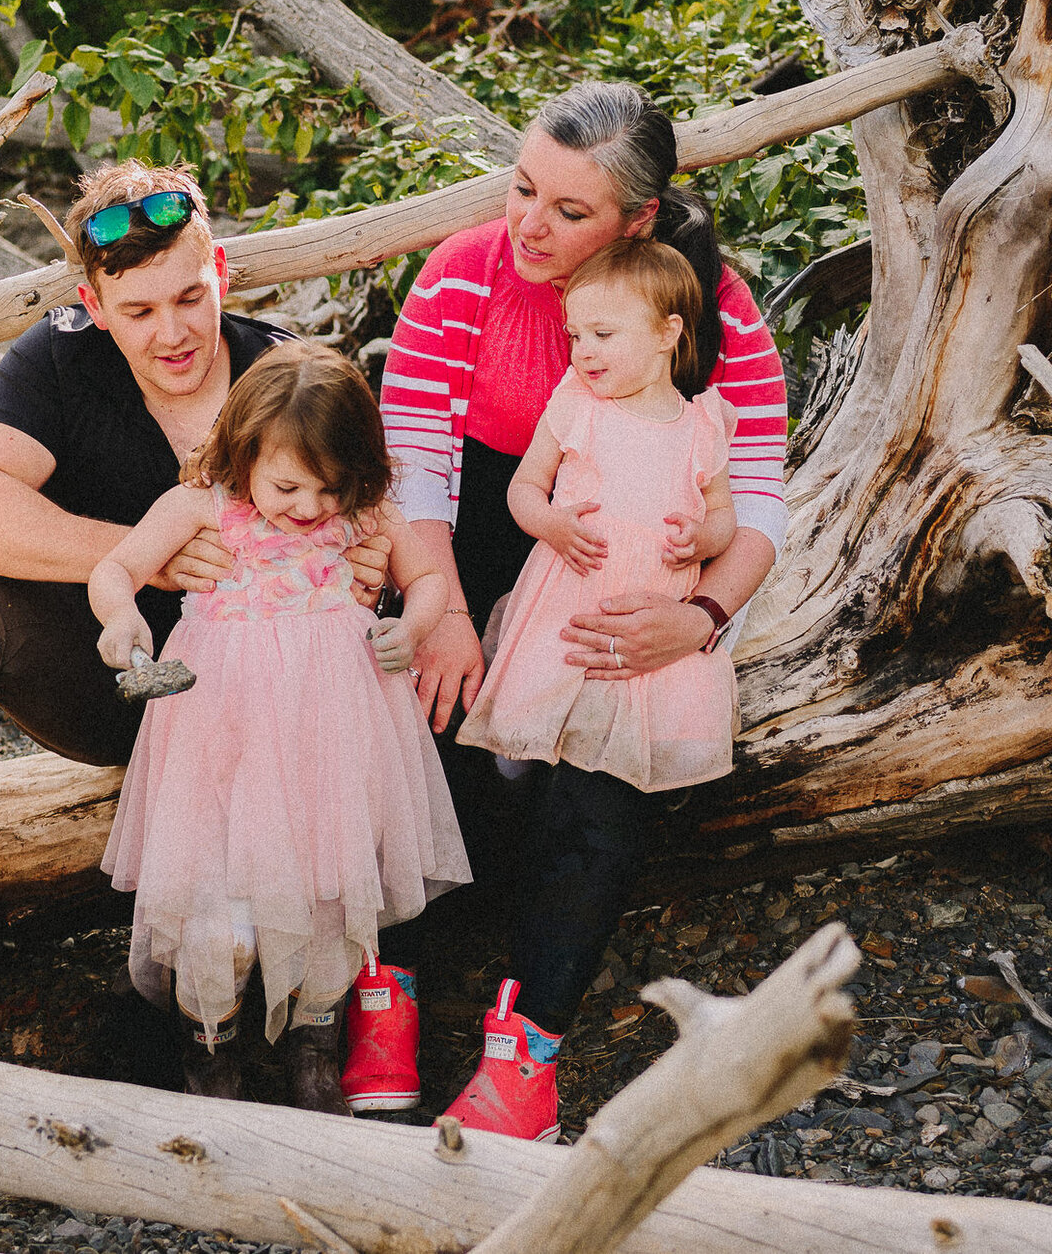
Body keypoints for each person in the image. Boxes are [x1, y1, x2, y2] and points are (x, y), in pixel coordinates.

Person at [0, 161, 388, 1035]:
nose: (172, 331)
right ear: (96, 308)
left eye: (189, 297)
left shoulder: (286, 371)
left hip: (269, 715)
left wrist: (369, 563)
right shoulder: (58, 356)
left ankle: (338, 989)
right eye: (137, 311)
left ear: (224, 277)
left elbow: (377, 515)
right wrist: (143, 561)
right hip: (110, 681)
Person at [346, 80, 787, 1138]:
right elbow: (414, 463)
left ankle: (527, 1051)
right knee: (418, 706)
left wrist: (703, 617)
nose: (528, 225)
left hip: (633, 571)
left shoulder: (711, 311)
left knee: (610, 757)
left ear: (637, 221)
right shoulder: (462, 276)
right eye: (522, 188)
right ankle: (384, 984)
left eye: (569, 211)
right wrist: (439, 603)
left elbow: (760, 492)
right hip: (476, 538)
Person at [89, 343, 467, 1110]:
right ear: (244, 448)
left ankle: (315, 1045)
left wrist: (414, 623)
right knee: (217, 914)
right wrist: (122, 615)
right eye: (288, 484)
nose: (308, 507)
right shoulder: (203, 502)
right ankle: (209, 1052)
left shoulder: (364, 512)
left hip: (331, 729)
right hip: (220, 732)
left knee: (331, 893)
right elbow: (115, 568)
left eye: (330, 487)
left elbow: (425, 574)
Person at [458, 239, 739, 793]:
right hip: (570, 599)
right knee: (537, 727)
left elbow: (727, 515)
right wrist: (551, 524)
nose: (583, 351)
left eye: (602, 335)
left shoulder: (703, 426)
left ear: (666, 333)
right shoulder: (577, 404)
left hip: (652, 611)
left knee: (631, 740)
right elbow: (524, 489)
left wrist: (703, 539)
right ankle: (520, 779)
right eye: (575, 336)